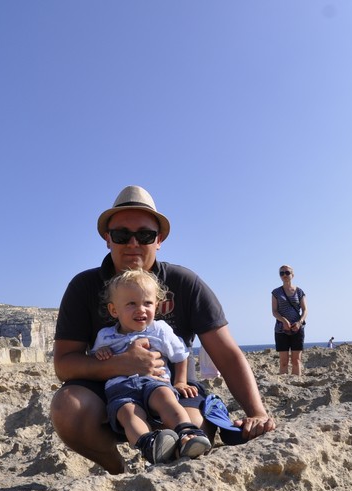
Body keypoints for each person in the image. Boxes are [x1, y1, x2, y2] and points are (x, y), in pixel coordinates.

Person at [51, 185, 276, 474]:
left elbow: (226, 353)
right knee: (67, 410)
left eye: (144, 235)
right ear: (108, 239)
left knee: (193, 431)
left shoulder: (185, 283)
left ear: (159, 239)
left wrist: (256, 412)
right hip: (108, 391)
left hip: (173, 387)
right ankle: (117, 469)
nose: (133, 243)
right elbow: (64, 364)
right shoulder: (84, 287)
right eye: (121, 234)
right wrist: (121, 364)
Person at [91, 269, 212, 464]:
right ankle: (148, 444)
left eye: (147, 303)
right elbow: (97, 359)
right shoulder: (105, 336)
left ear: (156, 305)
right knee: (128, 414)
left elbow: (181, 354)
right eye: (131, 304)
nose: (141, 309)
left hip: (154, 381)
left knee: (167, 399)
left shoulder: (160, 329)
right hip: (119, 388)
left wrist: (180, 382)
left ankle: (187, 433)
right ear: (114, 310)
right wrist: (101, 353)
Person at [271, 265, 307, 376]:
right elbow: (274, 311)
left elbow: (305, 310)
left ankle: (297, 386)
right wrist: (283, 320)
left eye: (287, 272)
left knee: (296, 361)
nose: (284, 275)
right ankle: (284, 385)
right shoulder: (276, 292)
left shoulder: (299, 291)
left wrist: (299, 322)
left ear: (292, 275)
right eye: (281, 273)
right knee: (283, 362)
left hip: (297, 329)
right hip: (281, 330)